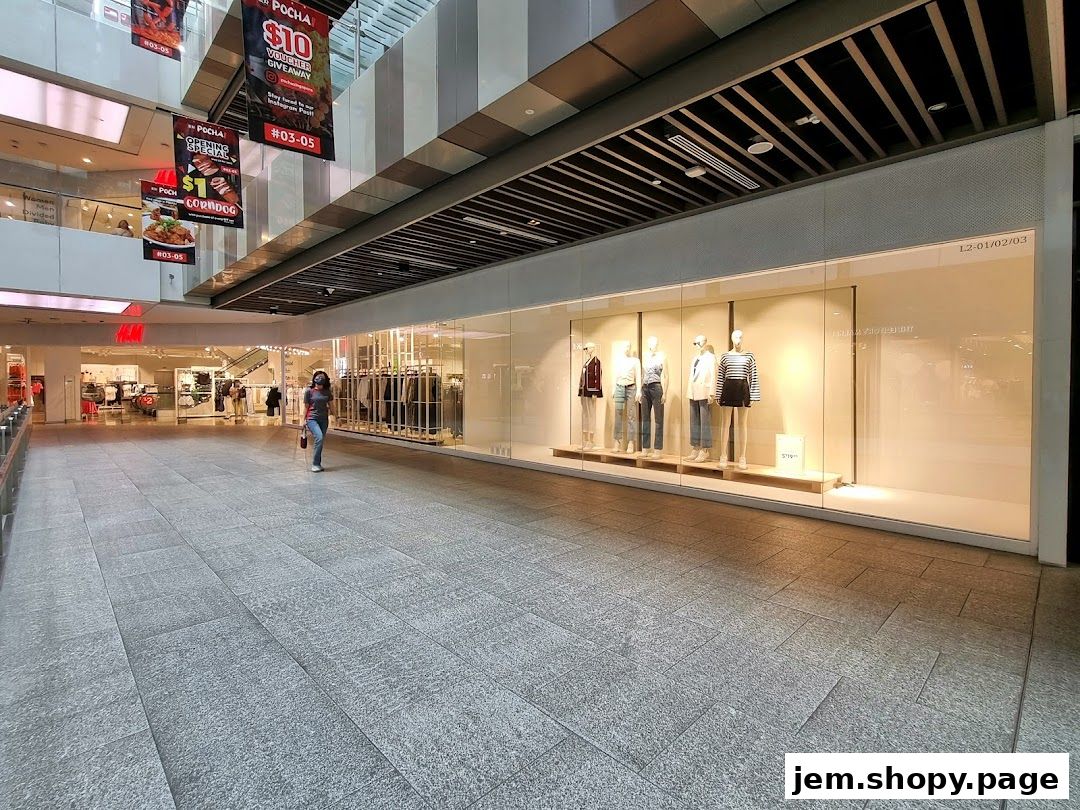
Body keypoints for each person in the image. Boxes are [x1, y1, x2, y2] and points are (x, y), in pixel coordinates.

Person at [304, 371, 332, 472]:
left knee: (320, 441)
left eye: (322, 378)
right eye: (318, 377)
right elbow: (306, 407)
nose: (320, 379)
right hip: (312, 418)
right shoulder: (309, 391)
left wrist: (335, 417)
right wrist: (303, 420)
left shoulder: (327, 392)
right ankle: (315, 464)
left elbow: (331, 405)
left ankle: (318, 464)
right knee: (319, 438)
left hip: (324, 419)